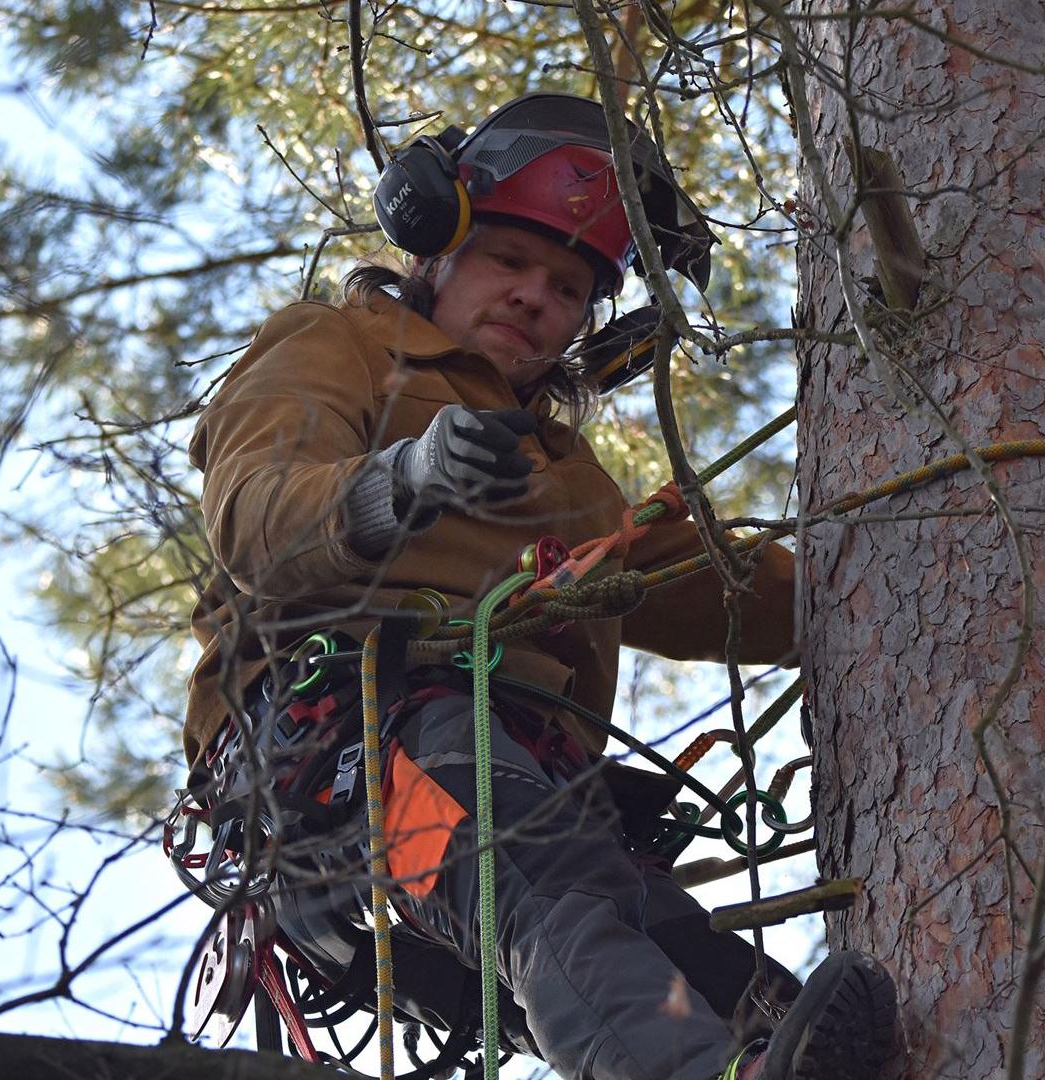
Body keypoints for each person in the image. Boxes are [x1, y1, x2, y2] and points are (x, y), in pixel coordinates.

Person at [180, 91, 896, 1080]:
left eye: (567, 287)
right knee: (537, 879)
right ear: (434, 251)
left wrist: (896, 578)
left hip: (521, 772)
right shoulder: (340, 346)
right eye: (509, 261)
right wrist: (402, 482)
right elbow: (257, 515)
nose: (533, 297)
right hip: (354, 749)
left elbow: (714, 586)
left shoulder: (568, 477)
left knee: (710, 970)